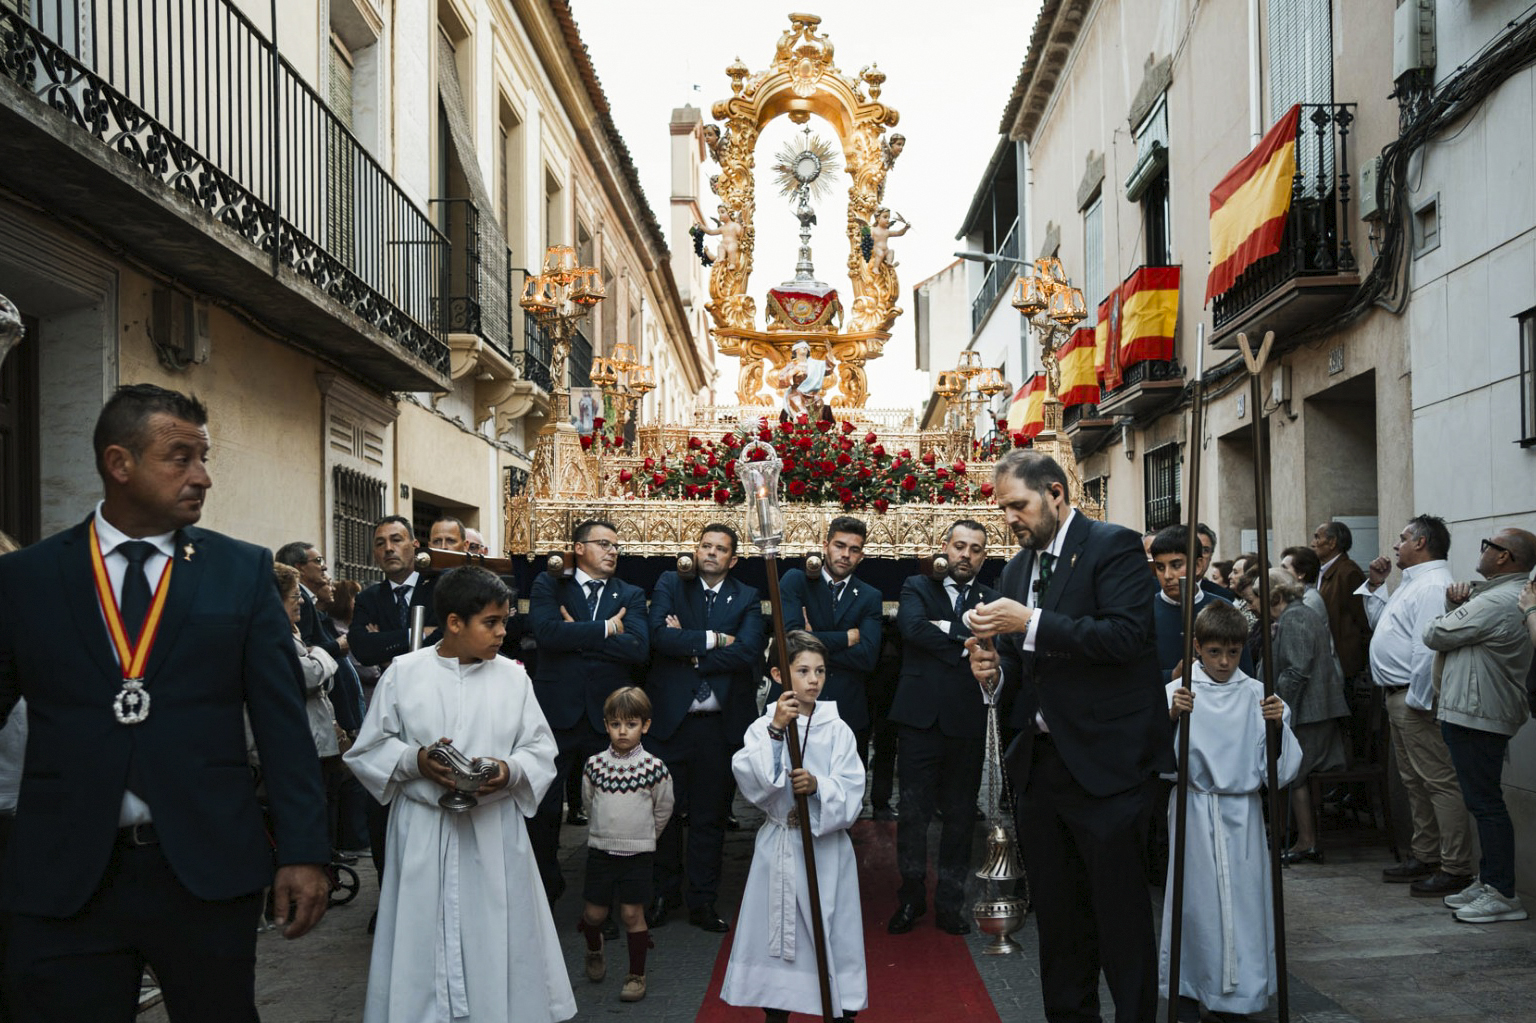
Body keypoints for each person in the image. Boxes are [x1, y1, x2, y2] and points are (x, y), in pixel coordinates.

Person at [0, 383, 329, 1021]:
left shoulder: (240, 572)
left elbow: (283, 726)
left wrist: (303, 852)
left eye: (204, 457)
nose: (202, 476)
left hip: (205, 870)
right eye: (180, 457)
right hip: (64, 874)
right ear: (119, 464)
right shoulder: (27, 579)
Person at [966, 449, 1169, 1023]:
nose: (1009, 518)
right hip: (1043, 769)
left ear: (1055, 493)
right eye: (1003, 508)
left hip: (1108, 768)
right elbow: (1018, 665)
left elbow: (1126, 637)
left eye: (1018, 505)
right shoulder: (1014, 570)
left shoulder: (1115, 546)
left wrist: (1027, 622)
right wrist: (991, 669)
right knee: (1060, 924)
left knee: (1121, 922)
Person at [344, 566, 573, 1023]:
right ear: (453, 622)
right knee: (421, 939)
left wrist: (508, 771)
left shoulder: (513, 678)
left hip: (493, 833)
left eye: (505, 621)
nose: (502, 633)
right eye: (491, 622)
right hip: (424, 831)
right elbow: (368, 748)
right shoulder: (404, 674)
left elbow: (541, 750)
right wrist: (417, 761)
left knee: (496, 936)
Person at [1161, 601, 1300, 1022]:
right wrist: (1171, 716)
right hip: (1194, 806)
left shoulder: (1259, 696)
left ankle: (1241, 995)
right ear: (1197, 648)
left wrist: (1277, 726)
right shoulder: (1177, 693)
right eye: (1214, 652)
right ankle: (1190, 987)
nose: (1224, 662)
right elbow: (1153, 757)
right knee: (1195, 902)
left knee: (1245, 902)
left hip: (1241, 812)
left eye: (1233, 653)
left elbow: (1279, 769)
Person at [720, 631, 867, 1023]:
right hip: (781, 846)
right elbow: (755, 782)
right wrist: (775, 732)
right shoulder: (761, 727)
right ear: (779, 674)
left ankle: (841, 1009)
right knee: (780, 936)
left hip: (826, 851)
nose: (813, 680)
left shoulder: (838, 730)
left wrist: (820, 787)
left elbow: (853, 788)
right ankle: (777, 1010)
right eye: (802, 670)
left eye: (819, 671)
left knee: (830, 934)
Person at [645, 524, 765, 932]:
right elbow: (659, 638)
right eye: (705, 546)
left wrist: (692, 651)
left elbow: (749, 651)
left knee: (709, 818)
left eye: (720, 549)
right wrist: (717, 640)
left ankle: (702, 900)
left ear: (733, 560)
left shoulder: (747, 596)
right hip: (671, 723)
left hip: (719, 726)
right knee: (662, 815)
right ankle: (664, 894)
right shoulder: (670, 583)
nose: (710, 554)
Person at [527, 519, 650, 902]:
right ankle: (544, 889)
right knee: (545, 809)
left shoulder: (630, 592)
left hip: (609, 717)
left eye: (616, 546)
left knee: (611, 810)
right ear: (578, 548)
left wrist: (578, 632)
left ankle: (604, 899)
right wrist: (607, 630)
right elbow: (545, 634)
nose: (613, 551)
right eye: (603, 544)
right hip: (557, 713)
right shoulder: (549, 584)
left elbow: (639, 649)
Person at [887, 520, 998, 937]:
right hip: (918, 720)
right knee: (913, 816)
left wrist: (942, 633)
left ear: (983, 557)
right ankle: (910, 899)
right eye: (959, 546)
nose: (965, 555)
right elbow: (912, 629)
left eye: (975, 549)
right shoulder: (918, 587)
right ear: (946, 549)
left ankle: (951, 904)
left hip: (965, 721)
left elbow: (992, 643)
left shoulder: (992, 598)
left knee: (960, 818)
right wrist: (965, 637)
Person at [1423, 528, 1536, 923]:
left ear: (1505, 557)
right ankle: (1490, 881)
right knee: (1481, 801)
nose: (1483, 550)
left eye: (1488, 545)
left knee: (1486, 804)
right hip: (1474, 711)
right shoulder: (1495, 595)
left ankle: (1504, 893)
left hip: (1479, 714)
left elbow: (1435, 633)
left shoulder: (1501, 600)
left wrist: (1453, 607)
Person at [1357, 515, 1472, 896]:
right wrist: (1376, 585)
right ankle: (1426, 854)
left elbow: (1426, 648)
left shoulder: (1432, 585)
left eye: (1403, 538)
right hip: (1401, 695)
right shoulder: (1413, 582)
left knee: (1437, 781)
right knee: (1415, 781)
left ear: (1421, 543)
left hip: (1413, 697)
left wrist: (1420, 700)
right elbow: (1384, 625)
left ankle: (1454, 866)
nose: (1396, 545)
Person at [578, 687, 674, 1002]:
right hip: (601, 852)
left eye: (631, 724)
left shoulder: (654, 768)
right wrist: (602, 833)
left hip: (638, 856)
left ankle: (636, 975)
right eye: (616, 724)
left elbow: (663, 809)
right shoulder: (594, 765)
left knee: (633, 915)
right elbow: (589, 804)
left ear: (645, 726)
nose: (623, 731)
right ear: (606, 725)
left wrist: (646, 836)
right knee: (594, 914)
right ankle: (594, 948)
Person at [778, 516, 882, 761]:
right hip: (795, 707)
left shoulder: (869, 596)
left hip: (845, 709)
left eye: (854, 549)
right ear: (825, 546)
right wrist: (846, 638)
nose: (845, 554)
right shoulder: (796, 580)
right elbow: (792, 640)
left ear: (861, 556)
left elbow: (867, 658)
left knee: (844, 793)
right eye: (839, 546)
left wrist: (811, 639)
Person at [1264, 569, 1350, 863]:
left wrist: (1281, 709)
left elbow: (1297, 669)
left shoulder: (1297, 616)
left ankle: (1306, 842)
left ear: (1274, 595)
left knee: (1295, 774)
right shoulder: (1289, 617)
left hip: (1312, 713)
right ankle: (1296, 836)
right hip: (1309, 711)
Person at [1148, 525, 1252, 682]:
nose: (1167, 575)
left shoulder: (1223, 608)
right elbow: (1133, 676)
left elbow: (1244, 672)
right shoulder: (1145, 611)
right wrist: (1172, 676)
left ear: (1197, 566)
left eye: (1176, 565)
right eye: (1160, 567)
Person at [1313, 521, 1372, 683]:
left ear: (1332, 543)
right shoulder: (1324, 571)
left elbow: (1362, 618)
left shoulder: (1348, 573)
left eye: (1317, 538)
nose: (1313, 544)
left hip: (1345, 664)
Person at [1194, 524, 1236, 602]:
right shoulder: (1164, 591)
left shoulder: (1223, 597)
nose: (1198, 557)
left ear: (1211, 556)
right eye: (1193, 548)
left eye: (1205, 551)